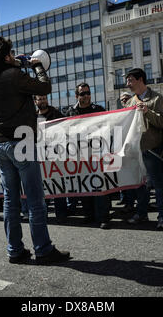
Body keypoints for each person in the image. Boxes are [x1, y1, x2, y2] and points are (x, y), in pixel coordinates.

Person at [0, 36, 70, 264]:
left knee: (10, 201)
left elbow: (12, 82)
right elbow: (45, 87)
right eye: (10, 54)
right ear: (5, 56)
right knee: (35, 200)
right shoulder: (13, 76)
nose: (13, 56)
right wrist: (38, 65)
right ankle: (43, 249)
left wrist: (19, 64)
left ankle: (15, 250)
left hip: (1, 144)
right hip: (22, 142)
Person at [124, 68, 163, 230]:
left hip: (151, 149)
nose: (127, 84)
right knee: (139, 185)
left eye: (130, 80)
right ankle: (141, 213)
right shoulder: (130, 102)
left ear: (140, 80)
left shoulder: (156, 98)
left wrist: (147, 111)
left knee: (158, 184)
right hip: (135, 150)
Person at [65, 83, 111, 229]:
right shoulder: (70, 112)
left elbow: (108, 127)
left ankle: (103, 217)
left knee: (99, 185)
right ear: (77, 96)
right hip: (80, 153)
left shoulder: (99, 110)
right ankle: (89, 215)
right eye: (83, 93)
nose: (86, 96)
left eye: (88, 93)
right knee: (84, 184)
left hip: (97, 152)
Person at [34, 94, 69, 224]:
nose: (43, 101)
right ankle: (44, 212)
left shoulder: (56, 113)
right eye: (40, 99)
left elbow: (65, 127)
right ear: (35, 101)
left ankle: (61, 213)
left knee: (57, 181)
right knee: (43, 184)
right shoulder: (33, 116)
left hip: (55, 153)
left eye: (44, 98)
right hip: (40, 155)